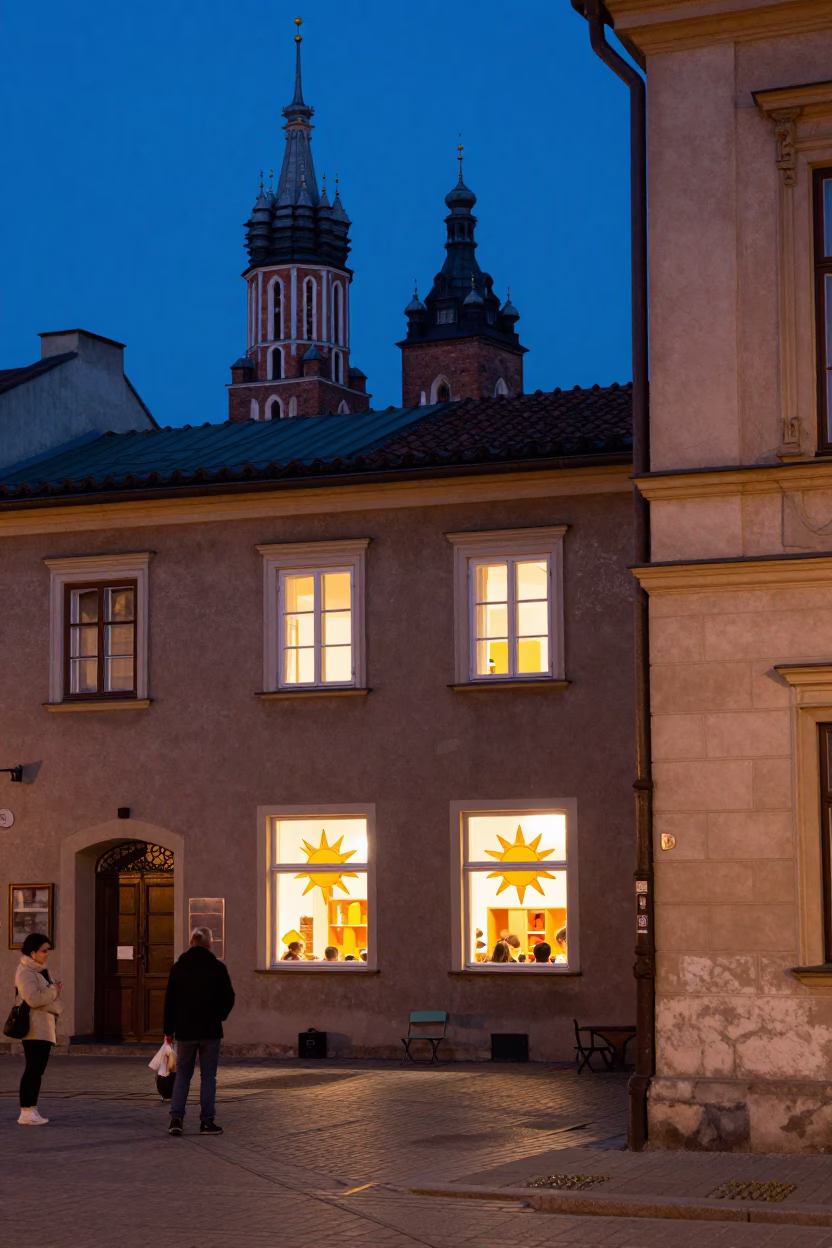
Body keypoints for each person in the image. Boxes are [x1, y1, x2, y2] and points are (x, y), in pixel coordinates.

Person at [164, 927, 235, 1137]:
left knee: (183, 1075)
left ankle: (176, 1119)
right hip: (210, 1030)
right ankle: (207, 1122)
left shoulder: (178, 968)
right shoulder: (217, 967)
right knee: (209, 1077)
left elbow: (170, 1002)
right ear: (209, 943)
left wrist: (169, 1030)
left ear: (191, 942)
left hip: (185, 1030)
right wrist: (219, 1015)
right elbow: (229, 997)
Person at [14, 934, 62, 1125]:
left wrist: (53, 990)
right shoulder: (25, 972)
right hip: (34, 1029)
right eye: (44, 950)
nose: (47, 954)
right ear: (32, 952)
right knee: (33, 1070)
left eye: (48, 950)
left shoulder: (41, 970)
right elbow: (33, 998)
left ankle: (30, 1109)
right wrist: (54, 991)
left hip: (44, 1028)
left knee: (37, 1070)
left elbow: (45, 996)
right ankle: (26, 1112)